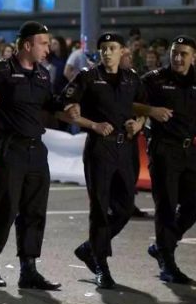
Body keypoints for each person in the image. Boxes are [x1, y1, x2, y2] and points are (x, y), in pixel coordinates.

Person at [0, 21, 73, 291]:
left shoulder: (42, 75)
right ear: (27, 45)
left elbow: (49, 103)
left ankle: (28, 268)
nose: (48, 49)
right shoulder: (2, 70)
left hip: (36, 148)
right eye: (43, 43)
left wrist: (67, 110)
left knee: (34, 209)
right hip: (9, 146)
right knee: (6, 207)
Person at [57, 33, 147, 288]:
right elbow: (65, 108)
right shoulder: (87, 77)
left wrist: (138, 124)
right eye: (103, 49)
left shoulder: (132, 79)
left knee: (126, 207)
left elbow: (144, 109)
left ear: (123, 52)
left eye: (112, 48)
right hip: (99, 149)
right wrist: (92, 124)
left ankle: (89, 248)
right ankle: (100, 264)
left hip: (126, 149)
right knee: (99, 208)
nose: (107, 53)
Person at [135, 36, 196, 284]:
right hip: (163, 150)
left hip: (189, 150)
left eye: (184, 54)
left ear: (194, 56)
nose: (178, 58)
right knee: (167, 206)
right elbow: (128, 101)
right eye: (175, 53)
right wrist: (150, 111)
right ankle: (168, 263)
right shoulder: (154, 79)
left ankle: (164, 245)